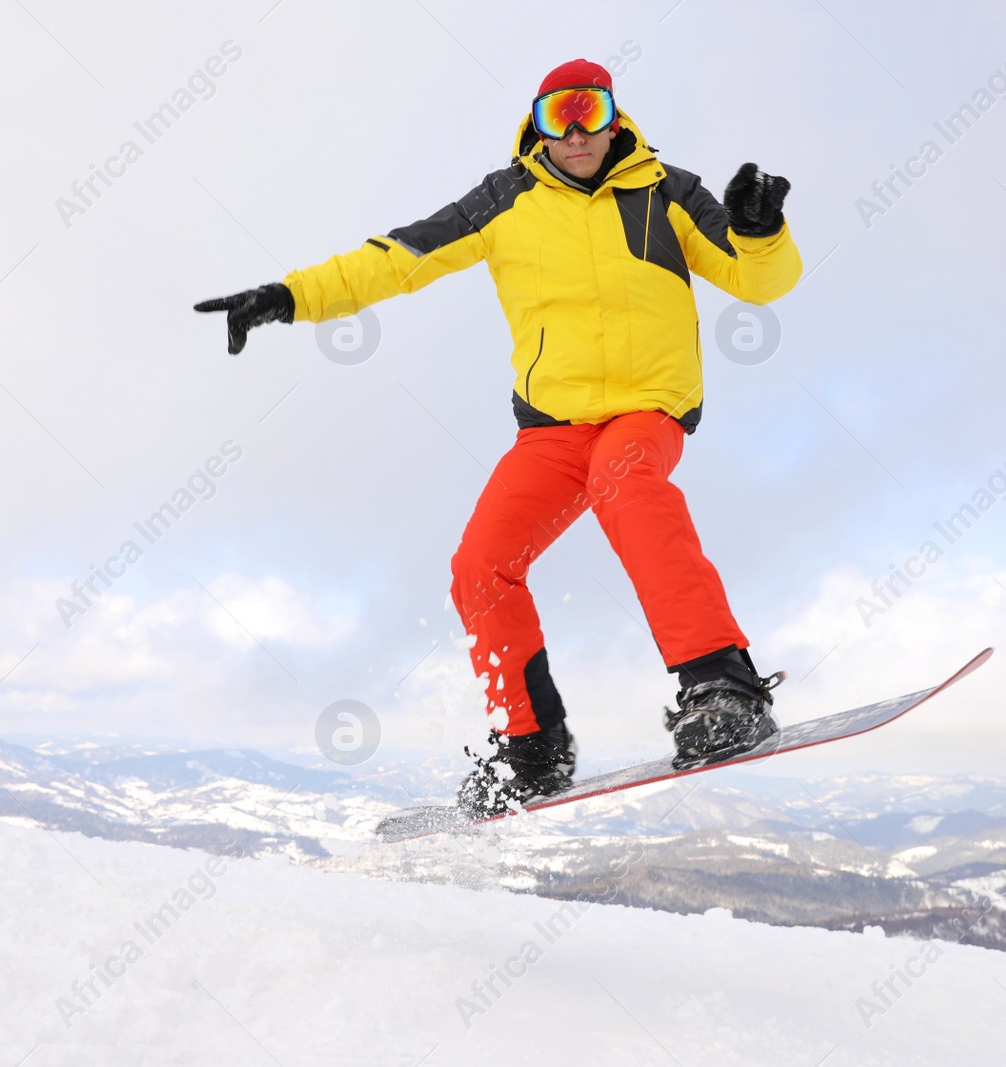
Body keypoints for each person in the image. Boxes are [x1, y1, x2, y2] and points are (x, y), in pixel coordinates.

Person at [196, 59, 802, 816]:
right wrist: (288, 297)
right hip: (552, 430)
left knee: (628, 485)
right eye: (558, 117)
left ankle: (723, 688)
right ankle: (534, 747)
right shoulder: (505, 199)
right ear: (536, 127)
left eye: (588, 111)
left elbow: (757, 281)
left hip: (643, 412)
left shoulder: (666, 192)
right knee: (480, 566)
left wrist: (759, 229)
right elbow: (395, 261)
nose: (576, 132)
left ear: (616, 117)